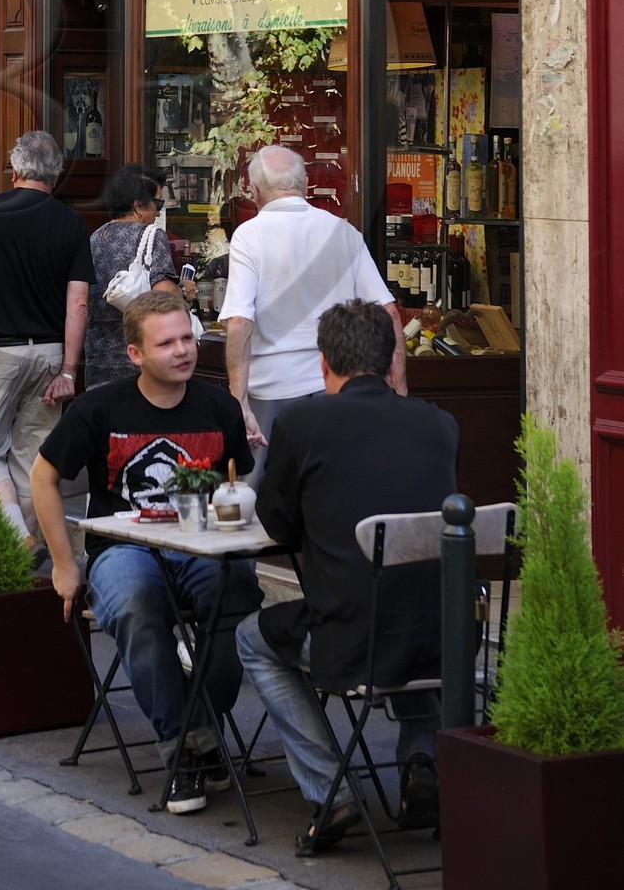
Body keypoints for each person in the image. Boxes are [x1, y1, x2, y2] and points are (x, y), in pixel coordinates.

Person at [234, 299, 459, 855]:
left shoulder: (302, 423)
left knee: (251, 638)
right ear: (391, 363)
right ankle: (422, 761)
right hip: (449, 639)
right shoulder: (440, 423)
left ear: (323, 363)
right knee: (407, 598)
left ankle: (331, 788)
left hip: (352, 642)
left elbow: (274, 523)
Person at [30, 289, 262, 815]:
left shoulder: (219, 407)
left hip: (202, 548)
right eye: (167, 344)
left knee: (240, 595)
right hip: (124, 549)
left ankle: (197, 727)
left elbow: (235, 479)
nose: (183, 351)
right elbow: (43, 477)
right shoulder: (100, 407)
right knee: (136, 605)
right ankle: (184, 749)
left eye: (188, 338)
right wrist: (65, 565)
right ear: (135, 353)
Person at [0, 130, 93, 559]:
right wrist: (68, 369)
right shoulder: (71, 222)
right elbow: (79, 302)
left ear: (14, 171)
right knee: (32, 462)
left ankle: (14, 539)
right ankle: (19, 558)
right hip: (48, 358)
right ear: (56, 175)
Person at [221, 146, 406, 480]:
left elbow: (239, 321)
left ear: (254, 190)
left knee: (264, 493)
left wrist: (239, 402)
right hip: (337, 385)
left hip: (271, 391)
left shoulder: (250, 235)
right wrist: (399, 390)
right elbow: (389, 312)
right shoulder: (344, 231)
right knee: (335, 483)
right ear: (305, 184)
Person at [85, 163, 190, 388]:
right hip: (141, 364)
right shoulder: (152, 235)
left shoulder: (94, 238)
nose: (159, 211)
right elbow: (165, 298)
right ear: (138, 206)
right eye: (158, 203)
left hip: (98, 362)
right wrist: (184, 294)